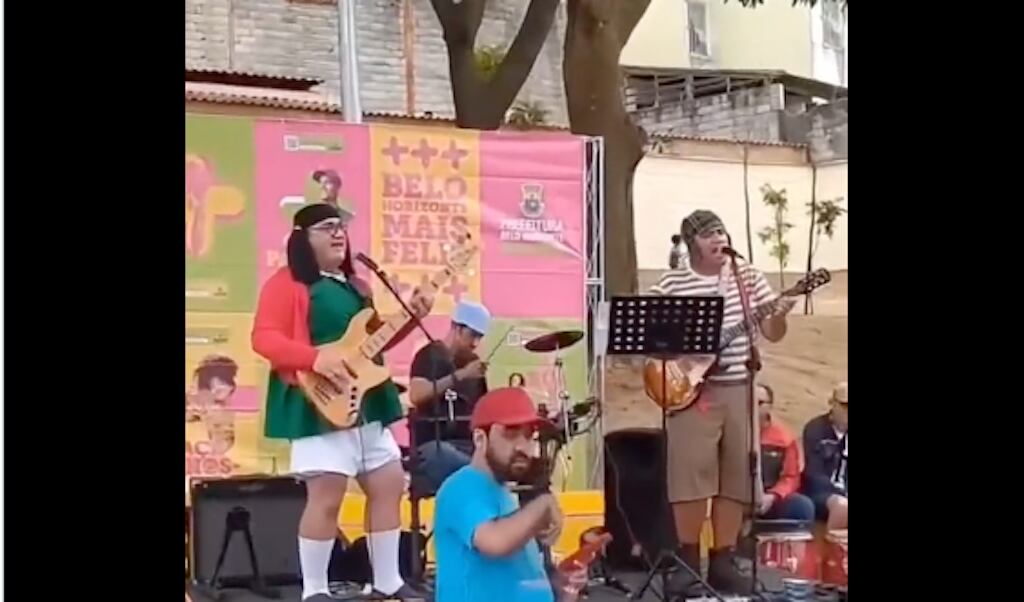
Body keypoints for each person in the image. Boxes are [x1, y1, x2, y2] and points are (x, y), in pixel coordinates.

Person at [251, 203, 433, 602]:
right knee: (327, 495)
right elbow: (263, 338)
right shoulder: (287, 284)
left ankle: (387, 580)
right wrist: (315, 359)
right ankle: (315, 589)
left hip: (367, 403)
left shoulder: (357, 286)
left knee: (388, 483)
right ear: (302, 238)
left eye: (341, 227)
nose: (338, 233)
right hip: (320, 403)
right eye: (326, 227)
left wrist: (411, 317)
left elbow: (374, 344)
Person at [649, 209, 796, 597]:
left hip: (739, 388)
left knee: (735, 474)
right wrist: (681, 355)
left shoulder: (747, 277)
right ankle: (686, 559)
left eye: (721, 232)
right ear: (691, 244)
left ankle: (723, 560)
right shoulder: (673, 282)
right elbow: (649, 335)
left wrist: (779, 314)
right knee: (691, 477)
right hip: (692, 392)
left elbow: (773, 332)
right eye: (708, 235)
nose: (718, 239)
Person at [433, 387, 586, 602]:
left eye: (529, 436)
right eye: (510, 434)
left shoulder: (503, 494)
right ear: (480, 439)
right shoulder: (461, 487)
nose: (523, 446)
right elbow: (496, 542)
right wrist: (545, 504)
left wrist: (561, 586)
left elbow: (516, 580)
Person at [407, 301, 492, 494]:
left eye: (480, 337)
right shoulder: (429, 355)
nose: (475, 343)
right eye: (472, 335)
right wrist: (460, 375)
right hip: (435, 445)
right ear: (457, 328)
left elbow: (482, 409)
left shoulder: (473, 363)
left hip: (468, 445)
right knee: (454, 461)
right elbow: (416, 394)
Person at [756, 384, 815, 523]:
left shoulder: (784, 438)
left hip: (768, 497)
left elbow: (791, 477)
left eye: (759, 403)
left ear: (770, 406)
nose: (753, 406)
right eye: (748, 401)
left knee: (802, 506)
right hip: (733, 500)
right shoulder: (729, 430)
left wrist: (773, 495)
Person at [801, 382, 848, 530]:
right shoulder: (816, 429)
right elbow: (814, 474)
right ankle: (833, 543)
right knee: (842, 506)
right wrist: (841, 493)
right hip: (820, 493)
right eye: (845, 406)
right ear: (832, 403)